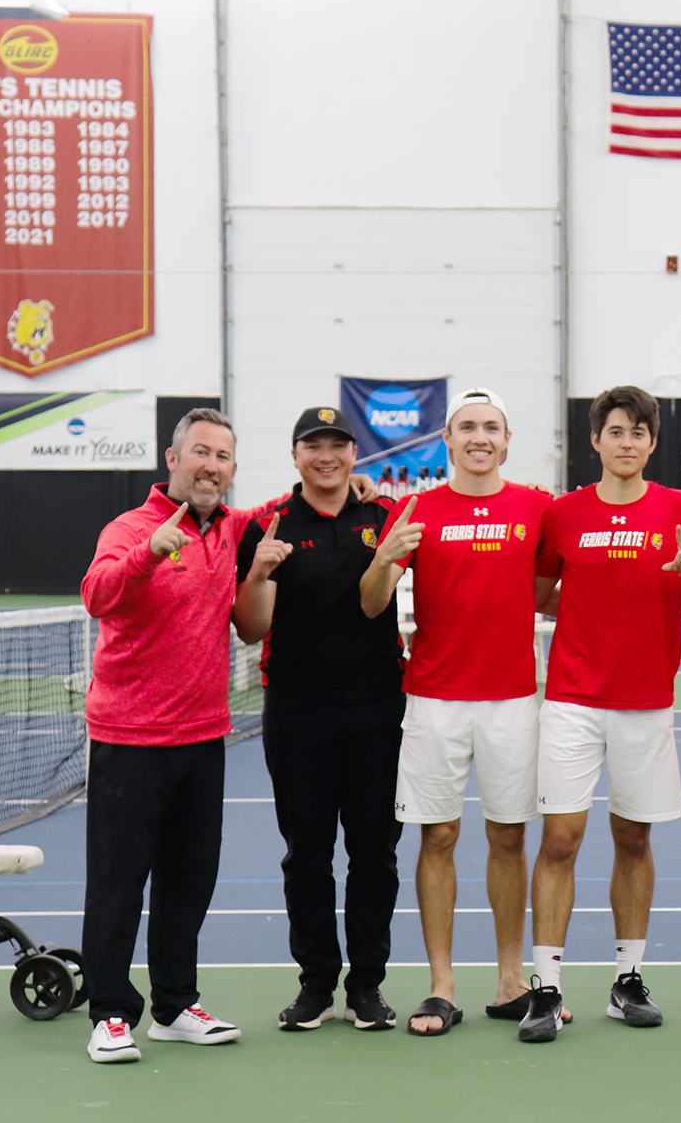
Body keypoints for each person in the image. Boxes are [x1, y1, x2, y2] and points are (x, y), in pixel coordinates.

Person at [79, 408, 371, 1064]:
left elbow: (301, 503)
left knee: (189, 880)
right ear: (172, 458)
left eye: (224, 457)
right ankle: (109, 1014)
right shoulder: (130, 528)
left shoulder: (238, 529)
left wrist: (358, 492)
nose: (212, 465)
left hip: (202, 737)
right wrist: (144, 557)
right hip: (129, 738)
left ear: (232, 470)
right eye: (201, 452)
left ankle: (175, 1005)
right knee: (118, 883)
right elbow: (96, 594)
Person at [523, 387, 681, 1041]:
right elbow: (541, 588)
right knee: (560, 840)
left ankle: (627, 980)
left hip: (646, 705)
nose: (627, 442)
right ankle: (545, 989)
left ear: (652, 442)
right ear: (596, 441)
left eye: (639, 431)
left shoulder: (678, 509)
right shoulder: (564, 514)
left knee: (634, 839)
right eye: (616, 431)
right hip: (574, 702)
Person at [359, 388, 553, 1038]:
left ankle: (509, 979)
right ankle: (442, 986)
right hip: (435, 699)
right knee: (436, 837)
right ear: (447, 439)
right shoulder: (416, 508)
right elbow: (370, 602)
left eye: (491, 427)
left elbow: (554, 583)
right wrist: (385, 560)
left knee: (509, 837)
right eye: (467, 426)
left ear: (506, 439)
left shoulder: (535, 507)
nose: (479, 436)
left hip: (511, 700)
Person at [232, 406, 406, 1034]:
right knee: (307, 854)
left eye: (338, 444)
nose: (326, 455)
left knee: (374, 852)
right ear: (295, 453)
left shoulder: (382, 515)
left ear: (354, 454)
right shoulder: (267, 524)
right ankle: (315, 986)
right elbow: (251, 629)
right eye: (314, 445)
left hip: (377, 705)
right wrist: (259, 571)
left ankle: (366, 986)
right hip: (298, 709)